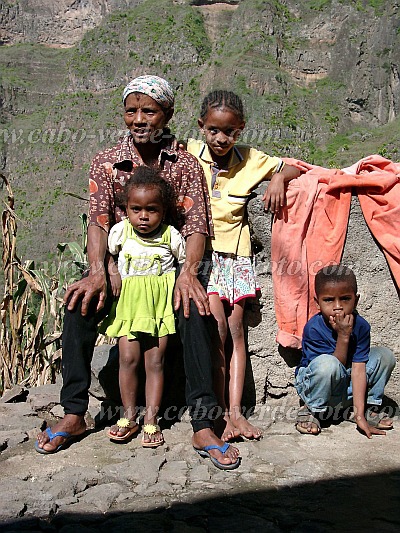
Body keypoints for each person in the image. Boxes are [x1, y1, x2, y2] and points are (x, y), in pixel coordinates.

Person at [35, 75, 240, 469]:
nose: (139, 119)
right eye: (132, 111)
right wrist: (99, 269)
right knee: (79, 306)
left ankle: (202, 423)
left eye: (149, 111)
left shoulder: (184, 164)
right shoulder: (107, 162)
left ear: (168, 114)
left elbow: (196, 225)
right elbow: (98, 221)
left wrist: (188, 275)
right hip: (120, 263)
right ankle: (75, 412)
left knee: (197, 313)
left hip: (172, 265)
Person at [186, 90, 300, 441]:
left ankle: (236, 414)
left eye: (230, 132)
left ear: (240, 130)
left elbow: (293, 166)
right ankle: (217, 412)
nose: (221, 139)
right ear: (202, 126)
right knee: (215, 333)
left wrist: (279, 178)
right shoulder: (188, 154)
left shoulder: (251, 159)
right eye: (214, 130)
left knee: (236, 333)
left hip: (235, 258)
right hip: (200, 258)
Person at [100, 166, 185, 447]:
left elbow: (185, 267)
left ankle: (151, 419)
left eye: (152, 210)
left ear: (163, 211)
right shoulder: (121, 232)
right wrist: (111, 270)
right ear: (127, 210)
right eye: (136, 209)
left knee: (155, 362)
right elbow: (108, 256)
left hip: (159, 308)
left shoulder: (171, 237)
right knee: (127, 359)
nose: (143, 216)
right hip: (130, 306)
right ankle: (128, 416)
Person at [295, 264, 396, 437]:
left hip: (347, 389)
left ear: (355, 301)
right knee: (328, 364)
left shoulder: (361, 326)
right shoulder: (314, 328)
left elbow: (358, 369)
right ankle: (312, 410)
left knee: (384, 356)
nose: (337, 307)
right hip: (322, 388)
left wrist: (359, 416)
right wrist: (343, 336)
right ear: (317, 302)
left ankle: (364, 408)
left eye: (345, 299)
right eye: (328, 300)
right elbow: (334, 368)